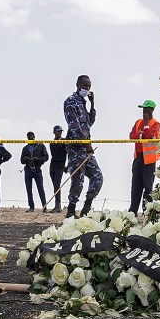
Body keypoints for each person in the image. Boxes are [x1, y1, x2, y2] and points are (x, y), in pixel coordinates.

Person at [63, 74, 103, 218]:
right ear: (77, 85)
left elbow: (89, 123)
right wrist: (87, 145)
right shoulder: (70, 102)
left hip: (86, 147)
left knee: (97, 176)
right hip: (76, 148)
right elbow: (74, 127)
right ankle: (71, 210)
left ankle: (86, 208)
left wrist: (92, 104)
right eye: (85, 86)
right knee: (77, 181)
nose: (87, 88)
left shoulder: (83, 103)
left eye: (89, 86)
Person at [130, 99, 160, 214]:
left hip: (149, 160)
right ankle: (132, 212)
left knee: (148, 187)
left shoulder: (156, 124)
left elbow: (149, 135)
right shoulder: (138, 122)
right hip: (138, 158)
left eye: (146, 109)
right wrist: (141, 134)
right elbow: (132, 136)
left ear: (152, 110)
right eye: (143, 109)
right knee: (136, 186)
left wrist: (145, 126)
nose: (144, 112)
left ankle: (146, 212)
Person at [19, 131, 49, 211]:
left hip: (37, 169)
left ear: (34, 137)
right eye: (29, 138)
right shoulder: (25, 148)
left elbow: (46, 157)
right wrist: (25, 159)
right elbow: (21, 160)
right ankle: (31, 207)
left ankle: (44, 207)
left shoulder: (41, 146)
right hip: (28, 169)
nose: (30, 139)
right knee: (29, 189)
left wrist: (38, 159)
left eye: (31, 137)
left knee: (40, 188)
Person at [47, 125, 68, 213]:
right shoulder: (52, 143)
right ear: (54, 132)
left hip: (60, 164)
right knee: (55, 186)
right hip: (53, 164)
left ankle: (58, 205)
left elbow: (68, 152)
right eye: (58, 131)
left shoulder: (64, 141)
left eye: (60, 131)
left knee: (57, 185)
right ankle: (57, 205)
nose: (59, 133)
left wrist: (67, 166)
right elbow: (54, 153)